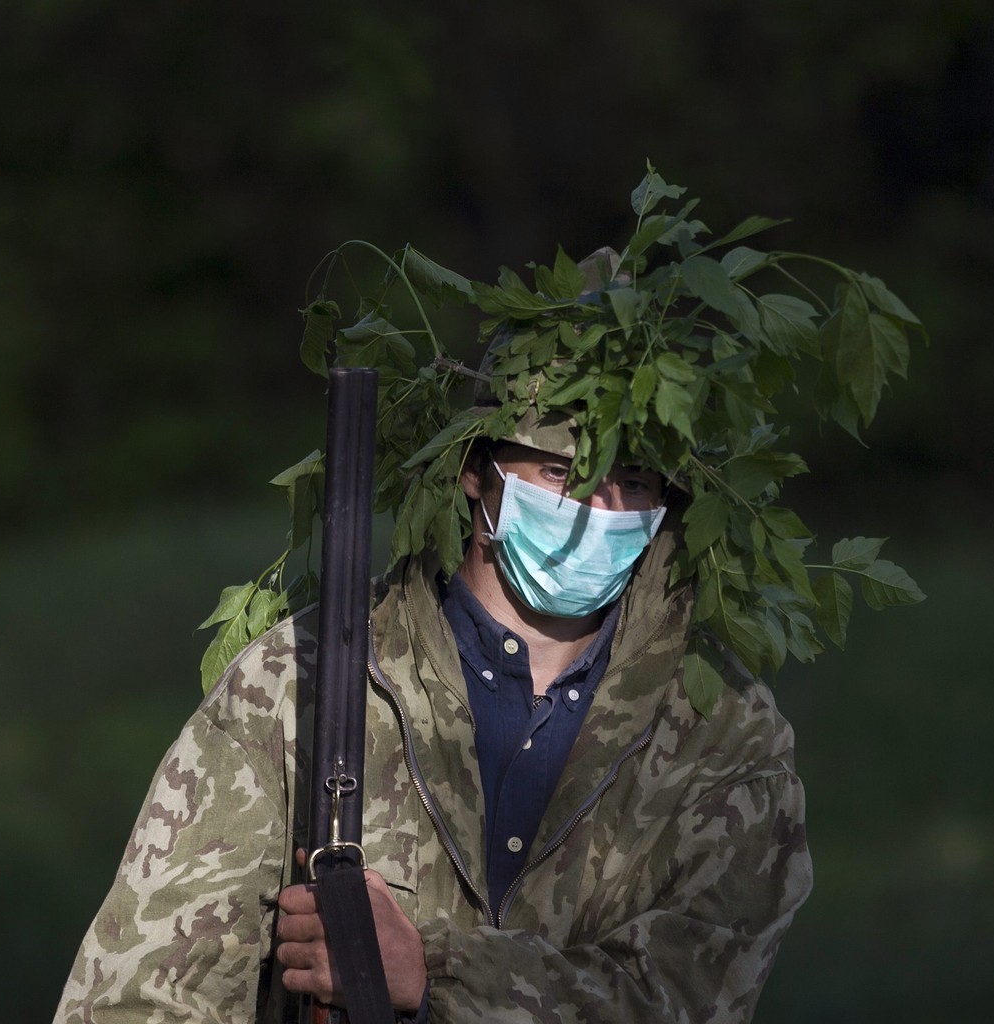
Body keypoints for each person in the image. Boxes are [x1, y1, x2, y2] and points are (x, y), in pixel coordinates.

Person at [54, 249, 815, 1023]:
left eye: (636, 483)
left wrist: (434, 975)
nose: (601, 506)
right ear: (474, 473)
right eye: (563, 471)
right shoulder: (302, 686)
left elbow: (688, 998)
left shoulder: (720, 733)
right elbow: (139, 997)